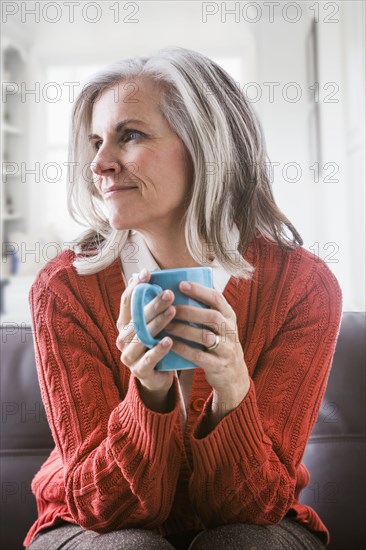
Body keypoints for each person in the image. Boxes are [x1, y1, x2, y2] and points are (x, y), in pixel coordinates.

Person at [24, 47, 342, 550]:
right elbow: (104, 507)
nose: (100, 163)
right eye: (95, 141)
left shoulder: (302, 287)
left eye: (130, 135)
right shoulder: (65, 287)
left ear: (208, 149)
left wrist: (231, 389)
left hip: (252, 524)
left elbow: (252, 508)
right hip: (90, 523)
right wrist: (148, 396)